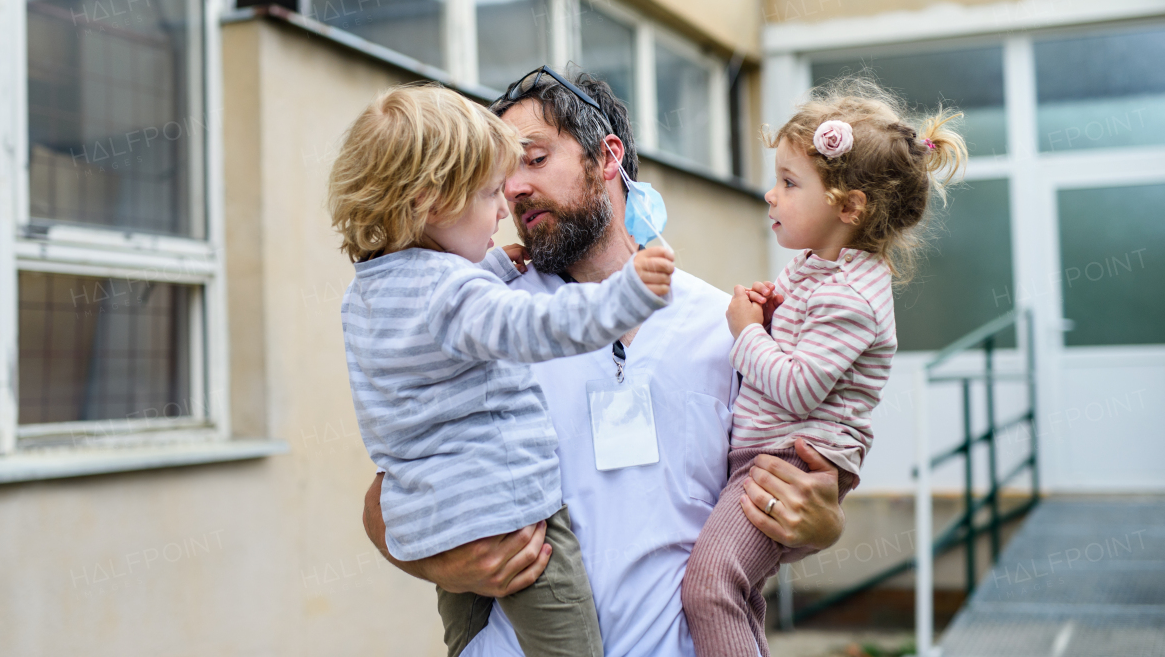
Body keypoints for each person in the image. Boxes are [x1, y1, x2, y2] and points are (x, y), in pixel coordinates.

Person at [362, 67, 849, 657]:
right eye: (501, 176)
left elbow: (782, 487)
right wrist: (447, 563)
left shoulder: (729, 326)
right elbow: (388, 499)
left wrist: (820, 527)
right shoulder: (488, 318)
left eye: (534, 160)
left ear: (607, 156)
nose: (512, 189)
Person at [329, 85, 676, 657]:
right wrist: (628, 295)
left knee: (464, 642)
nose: (505, 203)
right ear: (430, 201)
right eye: (491, 190)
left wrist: (487, 266)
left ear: (607, 157)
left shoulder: (365, 295)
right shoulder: (461, 292)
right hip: (514, 516)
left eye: (534, 159)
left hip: (436, 517)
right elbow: (530, 326)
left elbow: (434, 336)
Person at [681, 79, 967, 656]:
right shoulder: (816, 270)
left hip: (791, 459)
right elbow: (798, 349)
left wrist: (748, 332)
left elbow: (796, 387)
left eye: (789, 183)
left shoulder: (854, 296)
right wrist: (774, 313)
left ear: (849, 206)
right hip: (772, 454)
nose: (770, 195)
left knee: (711, 588)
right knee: (736, 593)